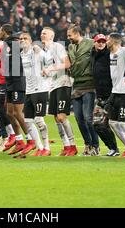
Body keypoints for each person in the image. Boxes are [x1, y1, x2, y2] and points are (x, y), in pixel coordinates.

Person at [41, 27, 78, 156]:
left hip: (63, 83)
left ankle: (73, 146)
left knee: (62, 116)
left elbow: (67, 64)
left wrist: (51, 68)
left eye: (45, 33)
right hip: (53, 86)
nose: (42, 35)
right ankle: (66, 146)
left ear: (51, 36)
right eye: (41, 33)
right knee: (57, 118)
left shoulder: (57, 46)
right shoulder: (44, 51)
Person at [67, 25, 99, 156]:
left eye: (70, 35)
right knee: (79, 119)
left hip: (89, 84)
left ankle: (96, 146)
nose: (68, 38)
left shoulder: (91, 43)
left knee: (88, 118)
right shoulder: (70, 47)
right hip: (76, 85)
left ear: (77, 33)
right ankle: (88, 144)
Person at [20, 32, 51, 156]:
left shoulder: (36, 50)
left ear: (31, 40)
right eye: (21, 39)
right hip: (29, 90)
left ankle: (47, 148)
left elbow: (48, 61)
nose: (22, 40)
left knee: (39, 119)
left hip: (40, 89)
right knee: (27, 121)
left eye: (25, 38)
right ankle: (40, 147)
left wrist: (47, 71)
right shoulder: (22, 54)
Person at [1, 24, 29, 156]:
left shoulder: (14, 41)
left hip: (18, 81)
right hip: (9, 82)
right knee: (9, 112)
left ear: (3, 32)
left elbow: (24, 44)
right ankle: (19, 141)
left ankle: (30, 139)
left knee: (18, 113)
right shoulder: (6, 44)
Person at [90, 33, 119, 156]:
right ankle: (112, 148)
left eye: (103, 41)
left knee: (110, 123)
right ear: (94, 42)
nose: (101, 43)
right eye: (98, 41)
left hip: (111, 95)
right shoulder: (92, 55)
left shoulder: (110, 54)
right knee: (96, 124)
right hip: (100, 96)